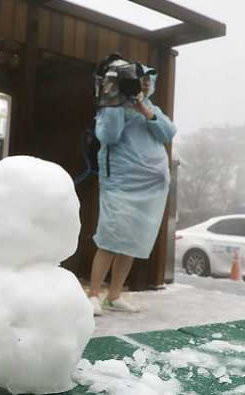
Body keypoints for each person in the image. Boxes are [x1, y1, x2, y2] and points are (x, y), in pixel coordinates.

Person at [87, 55, 177, 315]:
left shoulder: (150, 107)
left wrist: (144, 109)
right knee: (110, 238)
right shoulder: (110, 106)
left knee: (132, 242)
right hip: (122, 185)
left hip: (151, 190)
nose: (145, 85)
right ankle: (94, 293)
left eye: (149, 80)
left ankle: (115, 295)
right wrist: (114, 102)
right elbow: (109, 136)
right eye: (141, 80)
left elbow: (168, 132)